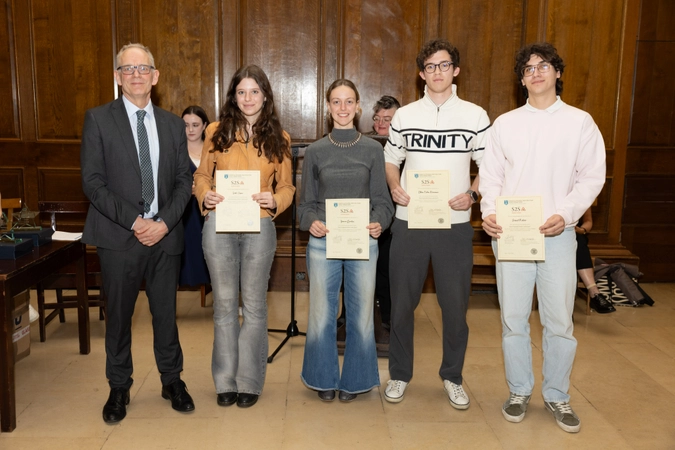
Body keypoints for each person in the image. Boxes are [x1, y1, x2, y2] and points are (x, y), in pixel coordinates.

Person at [479, 42, 606, 433]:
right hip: (512, 236)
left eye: (544, 66)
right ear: (521, 79)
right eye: (528, 68)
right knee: (514, 320)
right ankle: (519, 390)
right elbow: (491, 177)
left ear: (557, 73)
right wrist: (488, 214)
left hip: (557, 235)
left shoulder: (580, 122)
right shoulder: (505, 123)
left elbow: (591, 178)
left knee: (558, 322)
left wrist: (564, 215)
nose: (536, 72)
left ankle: (557, 394)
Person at [80, 43, 194, 423]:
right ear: (117, 77)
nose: (135, 75)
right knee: (119, 316)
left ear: (155, 76)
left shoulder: (173, 124)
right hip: (118, 235)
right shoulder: (98, 119)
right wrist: (136, 221)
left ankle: (171, 380)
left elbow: (183, 181)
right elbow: (93, 183)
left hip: (166, 235)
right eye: (127, 69)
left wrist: (162, 222)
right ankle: (118, 386)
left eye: (143, 68)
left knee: (166, 314)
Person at [383, 39, 490, 409]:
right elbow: (392, 159)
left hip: (455, 224)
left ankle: (452, 376)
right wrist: (395, 186)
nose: (437, 72)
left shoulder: (475, 115)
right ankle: (399, 374)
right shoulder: (405, 115)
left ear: (455, 70)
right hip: (409, 222)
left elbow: (490, 166)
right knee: (401, 305)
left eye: (444, 65)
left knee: (455, 306)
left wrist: (473, 195)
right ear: (421, 73)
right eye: (430, 66)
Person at [193, 65, 295, 409]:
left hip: (259, 227)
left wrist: (275, 201)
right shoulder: (215, 132)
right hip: (219, 225)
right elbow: (201, 176)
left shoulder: (279, 137)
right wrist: (204, 195)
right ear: (233, 96)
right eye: (241, 92)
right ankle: (225, 381)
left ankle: (249, 381)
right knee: (223, 307)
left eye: (254, 91)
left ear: (265, 95)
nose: (248, 98)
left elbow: (287, 186)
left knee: (253, 307)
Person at [298, 79, 394, 403]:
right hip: (323, 243)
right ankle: (322, 377)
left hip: (362, 241)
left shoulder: (372, 149)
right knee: (322, 315)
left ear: (357, 106)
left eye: (348, 101)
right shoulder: (314, 151)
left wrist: (380, 222)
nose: (342, 108)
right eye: (336, 102)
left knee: (361, 315)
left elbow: (383, 200)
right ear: (328, 107)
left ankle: (355, 380)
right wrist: (311, 222)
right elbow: (305, 205)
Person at [179, 106, 211, 290]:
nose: (190, 130)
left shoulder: (213, 149)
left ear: (204, 125)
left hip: (211, 207)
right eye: (185, 125)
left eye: (195, 125)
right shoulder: (175, 151)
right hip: (186, 210)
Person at [576, 207, 614, 313]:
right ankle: (594, 293)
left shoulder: (580, 194)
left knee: (579, 241)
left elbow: (588, 221)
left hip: (573, 234)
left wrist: (581, 230)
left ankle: (594, 291)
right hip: (546, 233)